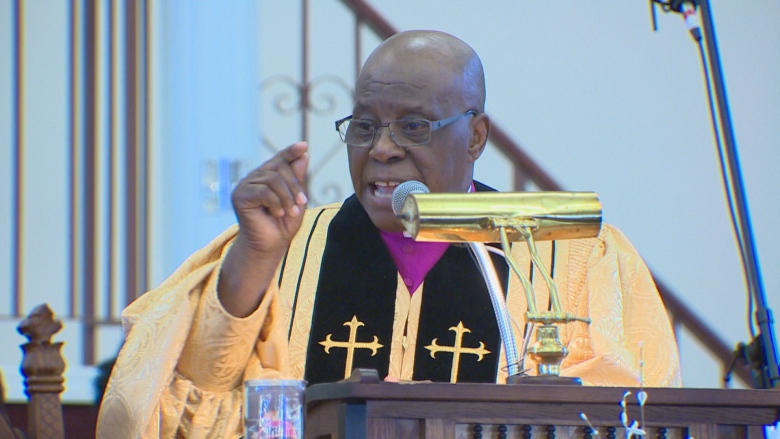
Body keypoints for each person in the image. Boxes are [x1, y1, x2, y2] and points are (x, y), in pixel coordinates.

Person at [97, 30, 681, 438]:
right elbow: (188, 404)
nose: (381, 149)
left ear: (475, 136)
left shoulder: (565, 255)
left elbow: (627, 409)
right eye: (365, 126)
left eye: (414, 126)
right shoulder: (290, 246)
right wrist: (255, 256)